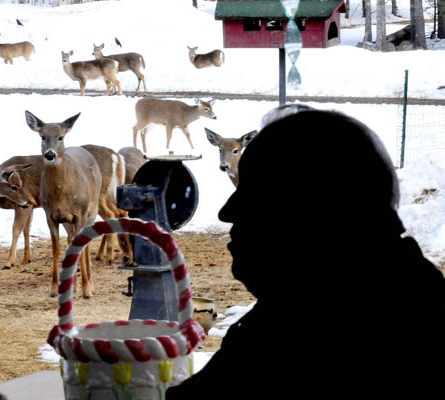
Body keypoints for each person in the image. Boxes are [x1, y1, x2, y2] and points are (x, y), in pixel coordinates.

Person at [167, 106, 445, 396]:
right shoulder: (411, 298)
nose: (227, 212)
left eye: (259, 193)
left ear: (316, 209)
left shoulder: (293, 335)